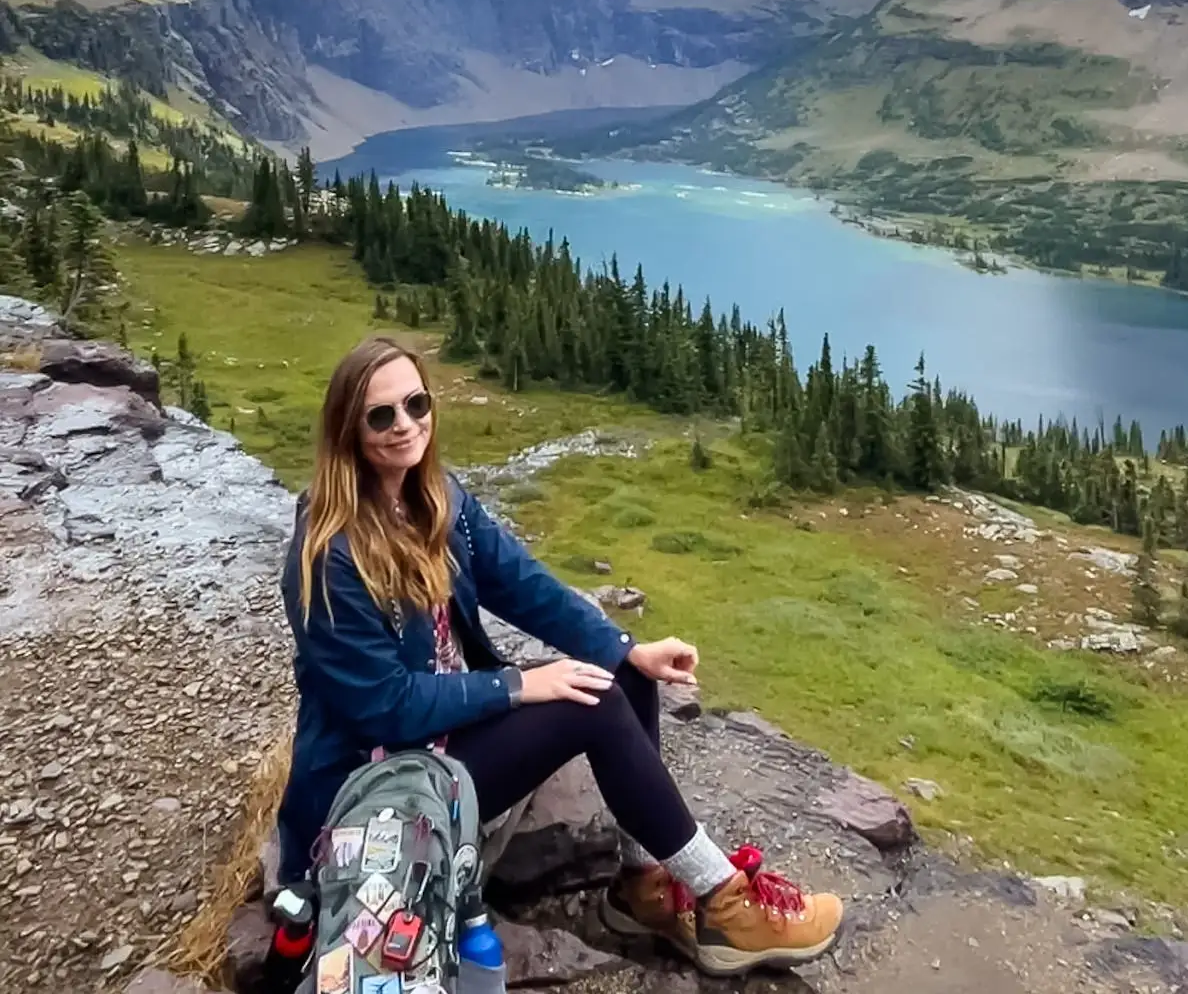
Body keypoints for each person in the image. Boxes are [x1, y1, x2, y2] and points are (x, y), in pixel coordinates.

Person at [273, 336, 844, 977]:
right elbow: (385, 707)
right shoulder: (328, 555)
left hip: (440, 743)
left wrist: (629, 648)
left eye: (416, 403)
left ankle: (643, 887)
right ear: (348, 429)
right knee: (588, 702)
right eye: (382, 415)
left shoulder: (437, 500)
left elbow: (525, 585)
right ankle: (723, 903)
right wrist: (518, 685)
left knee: (619, 675)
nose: (406, 425)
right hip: (381, 784)